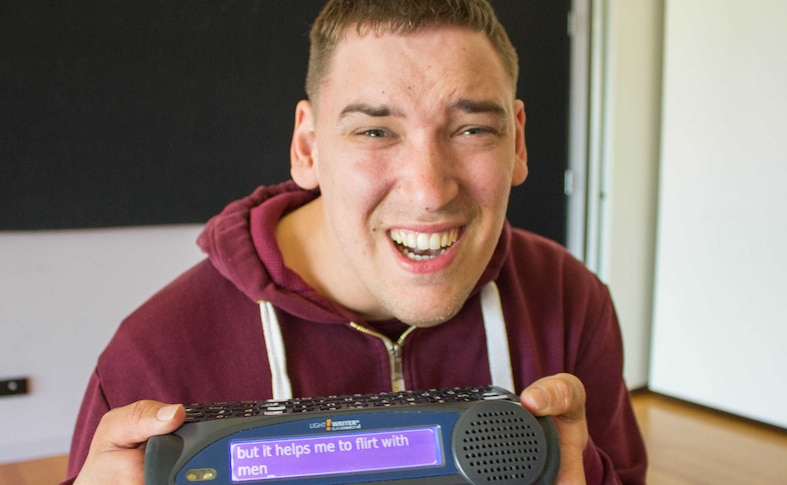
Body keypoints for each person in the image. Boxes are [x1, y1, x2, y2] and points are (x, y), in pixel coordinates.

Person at [63, 1, 647, 483]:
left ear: (517, 142)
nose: (428, 191)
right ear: (308, 148)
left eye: (472, 129)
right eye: (374, 130)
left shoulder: (571, 303)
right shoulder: (156, 354)